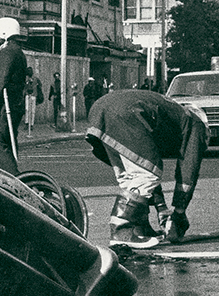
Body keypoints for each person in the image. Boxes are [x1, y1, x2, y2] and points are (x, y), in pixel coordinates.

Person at [83, 88, 208, 249]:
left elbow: (146, 162)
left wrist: (162, 208)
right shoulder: (195, 123)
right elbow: (188, 173)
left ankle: (138, 227)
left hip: (100, 108)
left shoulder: (172, 116)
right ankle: (122, 231)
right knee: (146, 174)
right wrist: (179, 212)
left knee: (131, 177)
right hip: (126, 112)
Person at [0, 16, 30, 173]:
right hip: (15, 103)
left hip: (6, 105)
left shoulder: (7, 52)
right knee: (9, 139)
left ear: (4, 32)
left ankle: (13, 175)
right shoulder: (16, 51)